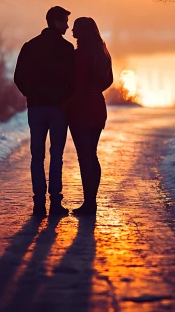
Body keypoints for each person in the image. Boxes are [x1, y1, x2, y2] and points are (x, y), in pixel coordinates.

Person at [14, 6, 76, 217]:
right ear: (56, 22)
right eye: (65, 21)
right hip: (59, 109)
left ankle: (38, 203)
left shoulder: (30, 46)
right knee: (56, 155)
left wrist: (31, 94)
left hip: (36, 108)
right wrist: (65, 97)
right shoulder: (67, 49)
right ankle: (55, 203)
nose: (68, 26)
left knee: (36, 156)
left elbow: (19, 77)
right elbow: (74, 80)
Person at [66, 17, 113, 216]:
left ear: (83, 31)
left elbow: (77, 84)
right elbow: (108, 80)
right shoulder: (103, 52)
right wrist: (96, 90)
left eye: (75, 28)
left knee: (84, 156)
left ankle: (89, 203)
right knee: (91, 154)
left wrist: (68, 105)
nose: (72, 31)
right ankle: (91, 201)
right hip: (97, 107)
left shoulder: (79, 55)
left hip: (81, 109)